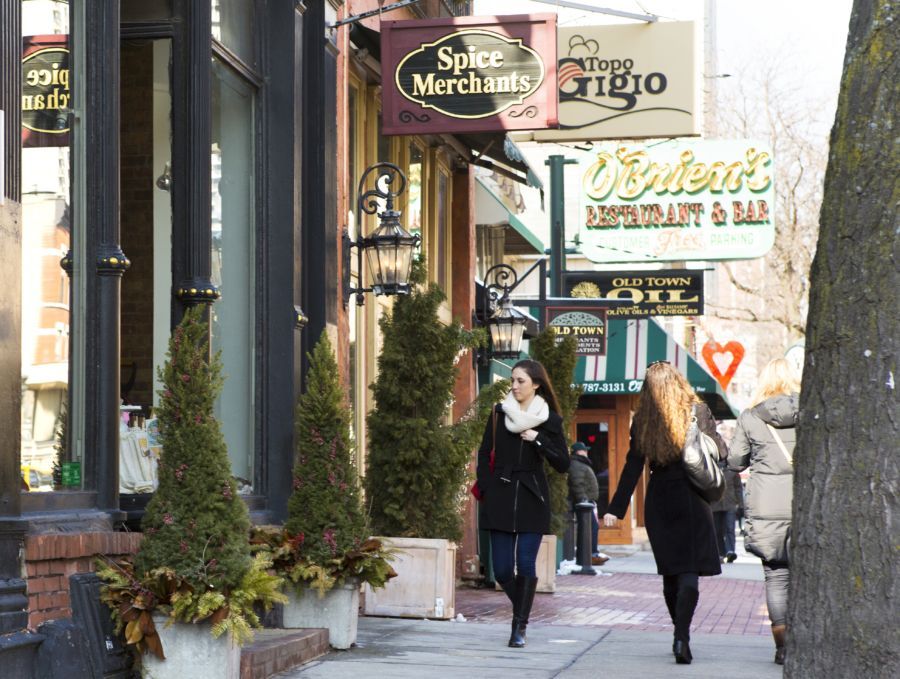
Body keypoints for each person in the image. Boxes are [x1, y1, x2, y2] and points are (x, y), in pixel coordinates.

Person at [602, 361, 726, 665]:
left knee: (670, 572)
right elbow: (721, 451)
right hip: (692, 495)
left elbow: (633, 467)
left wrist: (615, 510)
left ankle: (678, 631)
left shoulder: (643, 419)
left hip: (659, 498)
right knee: (689, 570)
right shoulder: (697, 411)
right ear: (678, 382)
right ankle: (682, 635)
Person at [477, 359, 569, 648]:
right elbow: (483, 455)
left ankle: (519, 628)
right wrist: (489, 487)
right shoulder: (498, 413)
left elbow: (563, 463)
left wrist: (538, 440)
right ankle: (524, 608)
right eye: (513, 381)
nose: (514, 386)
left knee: (525, 562)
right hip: (500, 496)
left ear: (536, 384)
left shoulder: (550, 420)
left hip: (532, 497)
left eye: (521, 381)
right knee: (503, 570)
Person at [728, 358, 799, 666]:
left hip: (767, 505)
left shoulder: (749, 417)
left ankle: (782, 645)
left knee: (776, 574)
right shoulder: (809, 412)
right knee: (806, 573)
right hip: (802, 503)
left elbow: (736, 461)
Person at [567, 442, 600, 565]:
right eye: (584, 450)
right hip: (584, 505)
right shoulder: (577, 465)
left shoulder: (580, 464)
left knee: (592, 527)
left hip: (587, 503)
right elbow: (578, 484)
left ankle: (591, 553)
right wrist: (583, 500)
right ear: (578, 452)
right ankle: (589, 555)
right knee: (590, 528)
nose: (586, 452)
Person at [711, 462, 743, 562]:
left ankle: (730, 551)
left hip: (730, 504)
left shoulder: (733, 470)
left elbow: (738, 487)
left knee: (730, 528)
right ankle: (720, 553)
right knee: (717, 530)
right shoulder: (711, 469)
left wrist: (741, 504)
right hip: (715, 505)